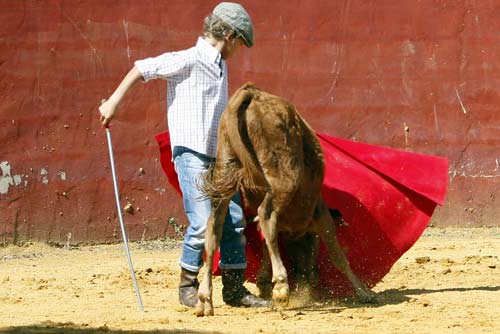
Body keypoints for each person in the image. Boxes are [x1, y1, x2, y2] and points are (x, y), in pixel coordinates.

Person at [99, 2, 270, 308]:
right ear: (229, 35)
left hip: (220, 157)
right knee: (204, 223)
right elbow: (143, 68)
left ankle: (233, 290)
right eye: (240, 42)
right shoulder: (188, 59)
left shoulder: (221, 65)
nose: (239, 49)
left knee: (233, 219)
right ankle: (187, 284)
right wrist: (113, 102)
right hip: (190, 154)